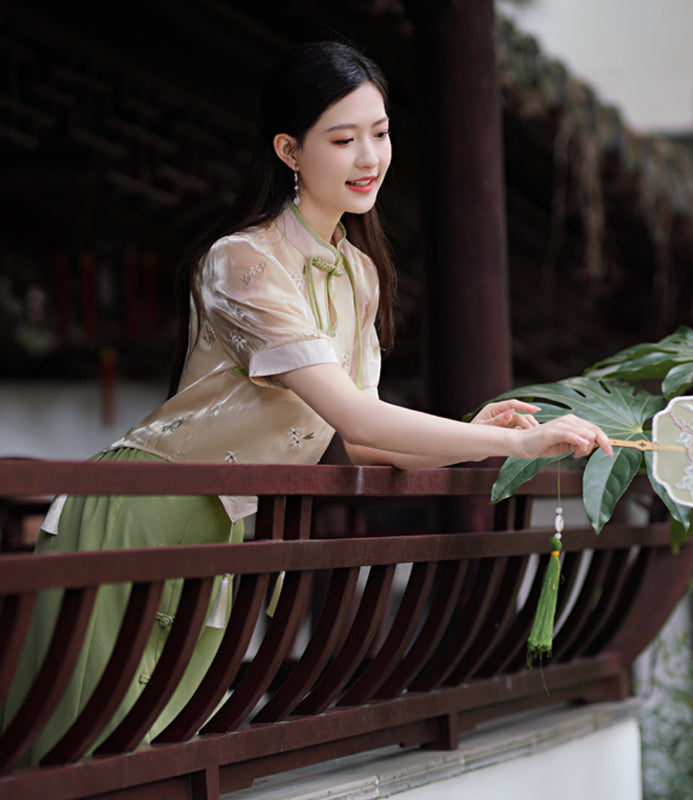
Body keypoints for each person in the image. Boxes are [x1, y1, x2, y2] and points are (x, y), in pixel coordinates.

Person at [0, 41, 612, 765]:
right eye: (343, 138)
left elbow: (360, 439)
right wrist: (513, 446)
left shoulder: (358, 273)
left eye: (379, 133)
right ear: (289, 150)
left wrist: (473, 432)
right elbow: (354, 417)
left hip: (220, 536)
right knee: (76, 754)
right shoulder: (241, 260)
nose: (369, 158)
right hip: (140, 518)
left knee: (163, 758)